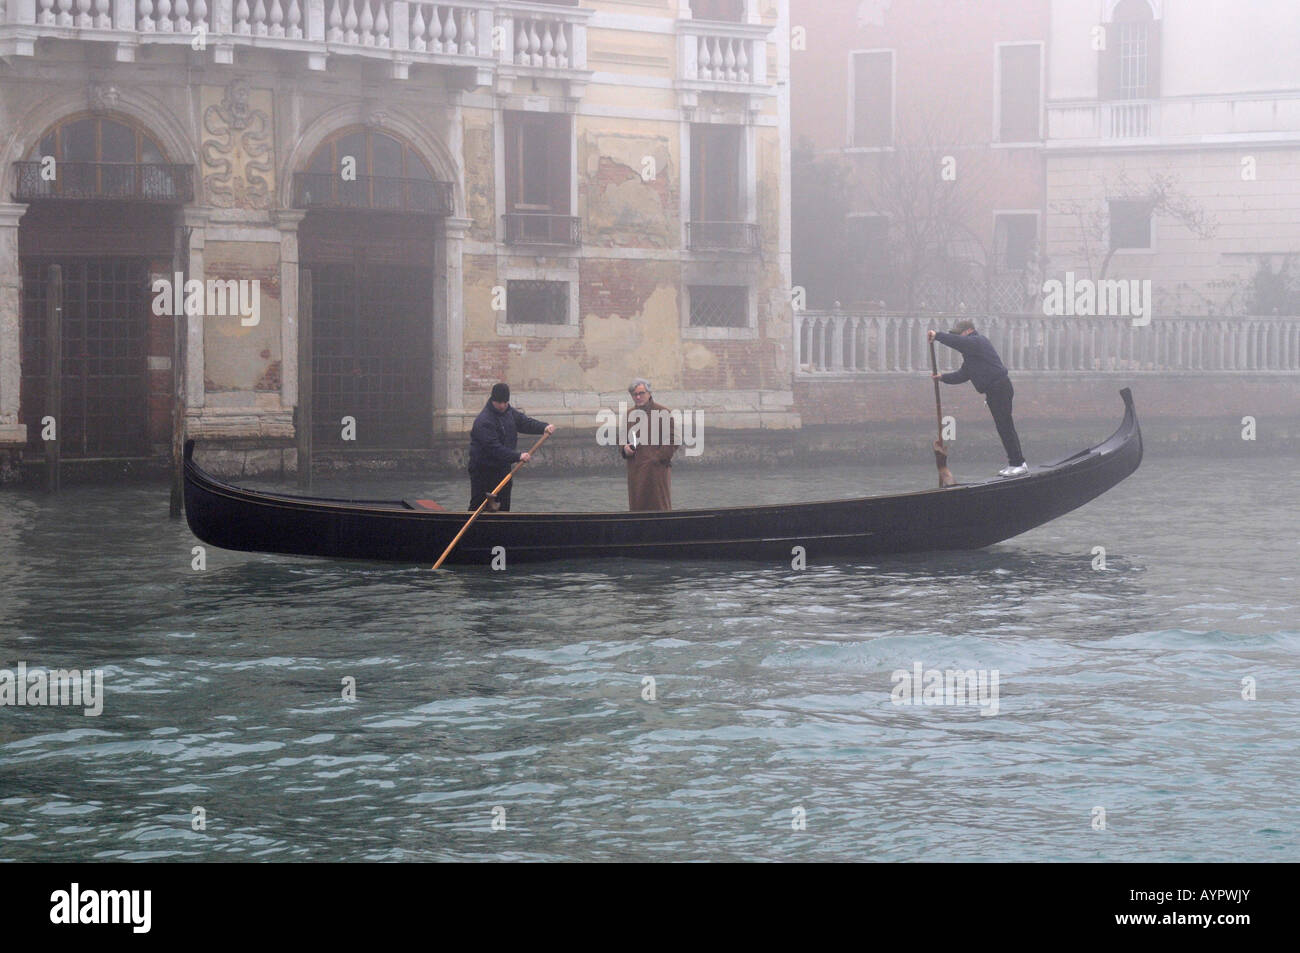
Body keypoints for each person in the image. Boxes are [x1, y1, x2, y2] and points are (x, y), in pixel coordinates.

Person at [928, 320, 1027, 477]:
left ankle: (1018, 463)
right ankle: (1015, 462)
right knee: (1003, 427)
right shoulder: (971, 356)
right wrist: (942, 378)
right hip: (994, 391)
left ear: (968, 331)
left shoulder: (978, 342)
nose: (958, 337)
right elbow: (962, 375)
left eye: (959, 333)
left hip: (1000, 387)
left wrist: (938, 336)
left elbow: (959, 342)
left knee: (1005, 427)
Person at [467, 382, 554, 511]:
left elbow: (525, 423)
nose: (502, 406)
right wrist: (517, 456)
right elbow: (493, 448)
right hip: (483, 470)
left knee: (503, 505)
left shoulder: (510, 412)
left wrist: (544, 427)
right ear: (493, 400)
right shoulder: (484, 421)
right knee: (479, 506)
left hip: (503, 468)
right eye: (499, 402)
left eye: (505, 402)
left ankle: (501, 527)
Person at [619, 378, 676, 511]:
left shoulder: (663, 412)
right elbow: (622, 439)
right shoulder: (628, 414)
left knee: (659, 507)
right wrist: (624, 448)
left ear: (649, 393)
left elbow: (673, 440)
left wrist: (656, 458)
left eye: (641, 393)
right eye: (635, 394)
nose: (638, 397)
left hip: (656, 472)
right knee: (637, 509)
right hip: (635, 470)